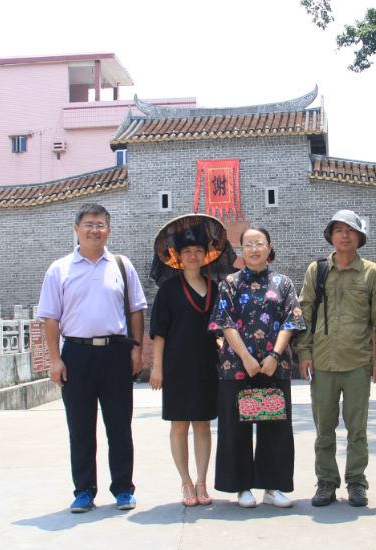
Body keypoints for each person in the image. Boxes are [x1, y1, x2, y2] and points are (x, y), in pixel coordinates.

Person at [37, 203, 146, 513]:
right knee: (81, 428)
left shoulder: (122, 266)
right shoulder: (59, 269)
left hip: (116, 353)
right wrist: (55, 359)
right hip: (76, 354)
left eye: (100, 224)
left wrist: (137, 349)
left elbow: (137, 310)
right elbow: (49, 318)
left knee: (119, 426)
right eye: (88, 224)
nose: (94, 229)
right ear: (76, 229)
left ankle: (123, 489)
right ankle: (84, 491)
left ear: (108, 230)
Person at [295, 210, 376, 507]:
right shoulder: (318, 270)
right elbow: (305, 313)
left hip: (358, 362)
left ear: (359, 237)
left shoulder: (372, 272)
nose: (345, 235)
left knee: (356, 430)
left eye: (350, 230)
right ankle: (326, 482)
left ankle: (356, 483)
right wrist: (305, 352)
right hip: (323, 363)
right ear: (331, 236)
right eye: (339, 230)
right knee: (323, 430)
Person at [209, 227, 305, 508]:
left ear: (268, 247)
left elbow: (291, 320)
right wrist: (246, 358)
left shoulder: (283, 283)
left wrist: (274, 355)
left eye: (258, 243)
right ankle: (242, 487)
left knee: (274, 426)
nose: (253, 249)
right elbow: (223, 322)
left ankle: (273, 487)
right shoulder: (230, 282)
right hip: (237, 367)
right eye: (248, 244)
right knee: (236, 428)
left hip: (274, 367)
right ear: (241, 250)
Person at [148, 214, 235, 507]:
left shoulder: (217, 288)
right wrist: (157, 368)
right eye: (187, 252)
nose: (193, 256)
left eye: (198, 251)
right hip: (175, 366)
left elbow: (226, 327)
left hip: (207, 365)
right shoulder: (168, 291)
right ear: (177, 256)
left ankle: (201, 481)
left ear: (206, 255)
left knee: (202, 423)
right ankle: (185, 482)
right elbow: (158, 333)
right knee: (178, 425)